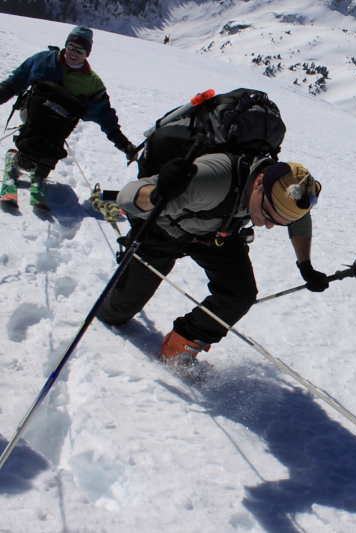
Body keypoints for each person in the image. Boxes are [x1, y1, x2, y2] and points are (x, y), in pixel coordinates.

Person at [97, 153, 329, 368]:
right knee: (116, 313)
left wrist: (305, 265)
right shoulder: (211, 180)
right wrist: (157, 195)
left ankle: (177, 349)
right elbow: (128, 195)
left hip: (214, 232)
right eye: (268, 215)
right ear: (259, 182)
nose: (267, 225)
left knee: (239, 294)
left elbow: (299, 218)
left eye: (277, 222)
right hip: (162, 230)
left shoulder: (285, 193)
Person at [0, 26, 137, 204]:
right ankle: (17, 162)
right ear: (66, 45)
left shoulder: (91, 83)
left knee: (49, 150)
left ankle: (40, 171)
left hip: (60, 123)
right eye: (71, 46)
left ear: (87, 53)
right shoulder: (43, 60)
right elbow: (15, 82)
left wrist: (123, 144)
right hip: (33, 113)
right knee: (34, 136)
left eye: (80, 50)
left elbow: (105, 116)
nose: (74, 52)